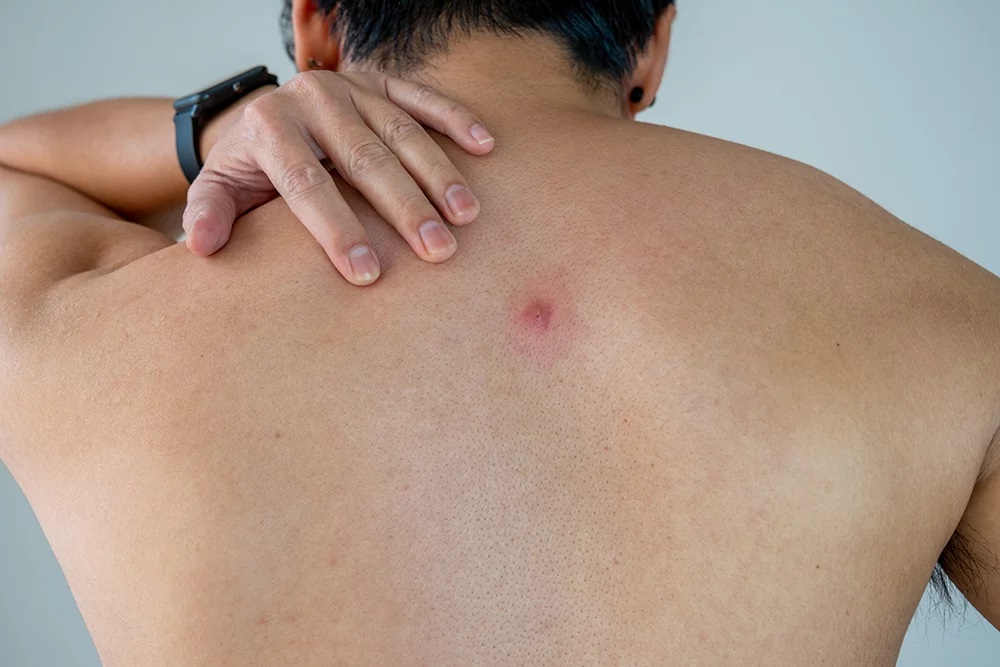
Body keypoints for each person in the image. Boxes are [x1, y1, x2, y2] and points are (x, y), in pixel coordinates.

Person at [0, 0, 997, 664]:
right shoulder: (934, 316)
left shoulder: (104, 319)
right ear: (651, 47)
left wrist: (224, 120)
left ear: (313, 29)